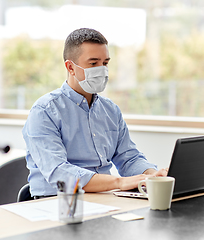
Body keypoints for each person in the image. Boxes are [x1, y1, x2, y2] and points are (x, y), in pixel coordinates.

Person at [22, 28, 168, 198]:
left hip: (105, 198)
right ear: (70, 67)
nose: (102, 70)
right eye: (93, 63)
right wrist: (119, 183)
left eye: (105, 63)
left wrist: (153, 176)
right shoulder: (44, 111)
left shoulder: (110, 110)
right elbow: (59, 172)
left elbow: (129, 158)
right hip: (59, 202)